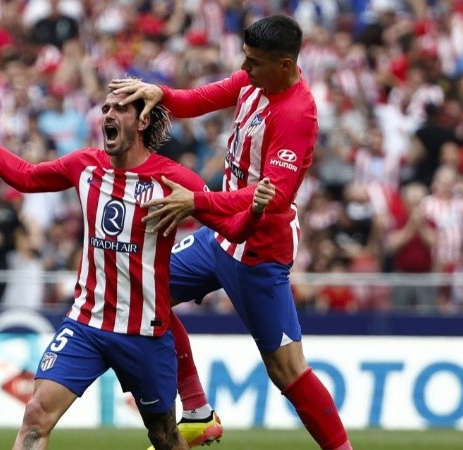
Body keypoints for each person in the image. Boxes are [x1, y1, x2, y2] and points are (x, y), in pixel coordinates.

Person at [0, 90, 276, 450]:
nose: (108, 115)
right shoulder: (85, 165)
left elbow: (232, 231)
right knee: (36, 416)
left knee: (164, 437)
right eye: (105, 108)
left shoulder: (174, 180)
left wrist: (255, 210)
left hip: (144, 335)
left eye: (120, 108)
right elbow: (24, 176)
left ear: (143, 120)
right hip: (87, 324)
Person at [110, 14, 353, 450]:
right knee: (145, 294)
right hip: (217, 235)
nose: (246, 67)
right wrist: (159, 93)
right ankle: (198, 411)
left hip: (258, 252)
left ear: (285, 65)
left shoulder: (297, 113)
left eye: (255, 62)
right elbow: (199, 99)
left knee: (287, 371)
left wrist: (196, 201)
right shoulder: (252, 81)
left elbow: (274, 197)